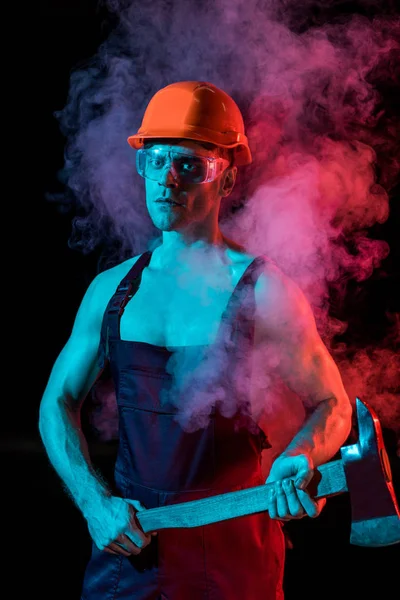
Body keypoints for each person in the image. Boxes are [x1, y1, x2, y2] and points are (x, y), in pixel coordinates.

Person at [39, 81, 353, 599]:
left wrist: (301, 455)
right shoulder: (111, 291)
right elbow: (57, 402)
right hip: (133, 546)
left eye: (190, 164)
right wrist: (96, 505)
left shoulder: (264, 290)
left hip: (235, 555)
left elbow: (332, 403)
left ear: (226, 178)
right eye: (155, 160)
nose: (167, 179)